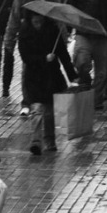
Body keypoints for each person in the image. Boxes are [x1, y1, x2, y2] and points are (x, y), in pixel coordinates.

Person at [18, 11, 77, 153]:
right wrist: (44, 58)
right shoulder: (25, 32)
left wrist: (72, 75)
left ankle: (50, 141)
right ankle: (36, 141)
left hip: (51, 77)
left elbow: (63, 54)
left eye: (40, 20)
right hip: (34, 77)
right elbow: (25, 56)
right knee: (37, 109)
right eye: (35, 20)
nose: (38, 23)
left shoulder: (53, 30)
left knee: (49, 112)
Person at [4, 0, 60, 116]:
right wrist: (9, 43)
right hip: (28, 42)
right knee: (27, 72)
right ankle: (27, 102)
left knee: (49, 72)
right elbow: (13, 22)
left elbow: (59, 21)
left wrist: (62, 41)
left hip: (48, 42)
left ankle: (46, 100)